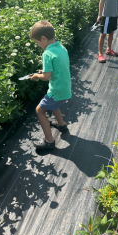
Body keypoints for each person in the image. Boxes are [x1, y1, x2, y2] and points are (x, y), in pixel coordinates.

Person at [29, 20, 71, 150]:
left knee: (39, 111)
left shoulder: (47, 53)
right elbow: (58, 67)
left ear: (43, 38)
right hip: (65, 88)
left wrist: (36, 76)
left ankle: (49, 141)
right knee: (55, 104)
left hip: (56, 90)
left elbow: (46, 77)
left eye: (37, 42)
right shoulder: (61, 48)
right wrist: (45, 71)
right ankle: (61, 124)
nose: (38, 45)